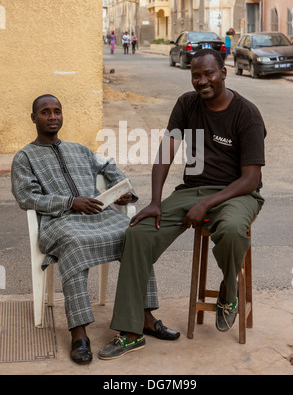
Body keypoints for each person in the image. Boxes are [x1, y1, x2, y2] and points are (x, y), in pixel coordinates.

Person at [99, 49, 266, 360]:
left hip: (238, 193)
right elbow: (167, 150)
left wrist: (207, 205)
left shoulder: (247, 114)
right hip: (192, 189)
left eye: (209, 74)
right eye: (196, 75)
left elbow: (251, 179)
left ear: (224, 73)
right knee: (138, 232)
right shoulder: (187, 103)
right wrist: (155, 201)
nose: (202, 81)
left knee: (230, 229)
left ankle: (229, 292)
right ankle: (132, 331)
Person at [11, 94, 178, 365]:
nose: (52, 117)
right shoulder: (25, 158)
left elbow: (108, 167)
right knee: (75, 244)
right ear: (34, 118)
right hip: (59, 222)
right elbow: (27, 198)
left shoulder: (80, 150)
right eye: (45, 112)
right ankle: (79, 333)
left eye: (57, 111)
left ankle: (145, 317)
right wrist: (69, 202)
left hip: (99, 216)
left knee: (137, 233)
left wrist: (124, 193)